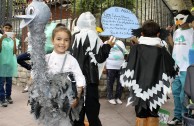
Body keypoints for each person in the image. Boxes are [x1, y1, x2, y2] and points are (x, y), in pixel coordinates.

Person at [120, 20, 178, 126]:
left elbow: (126, 67)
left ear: (141, 34)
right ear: (158, 34)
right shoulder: (161, 50)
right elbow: (173, 68)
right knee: (153, 113)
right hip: (156, 89)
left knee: (140, 113)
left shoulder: (135, 49)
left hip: (138, 88)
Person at [71, 12, 114, 126]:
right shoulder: (93, 36)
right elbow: (99, 58)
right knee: (92, 111)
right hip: (90, 79)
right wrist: (108, 46)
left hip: (76, 79)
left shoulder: (74, 36)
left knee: (77, 111)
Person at [44, 26, 85, 125]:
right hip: (48, 100)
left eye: (66, 40)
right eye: (59, 39)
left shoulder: (71, 60)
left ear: (70, 42)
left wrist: (77, 97)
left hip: (66, 101)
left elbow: (80, 79)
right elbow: (36, 76)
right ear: (52, 40)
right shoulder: (46, 58)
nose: (62, 43)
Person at [167, 10, 194, 125]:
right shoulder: (177, 31)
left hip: (187, 68)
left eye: (181, 19)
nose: (179, 21)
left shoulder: (192, 32)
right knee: (176, 93)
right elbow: (173, 45)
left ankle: (185, 116)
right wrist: (169, 34)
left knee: (184, 95)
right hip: (175, 68)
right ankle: (177, 116)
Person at [0, 23, 19, 107]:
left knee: (9, 81)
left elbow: (14, 52)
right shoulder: (0, 37)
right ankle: (2, 98)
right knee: (1, 82)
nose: (7, 30)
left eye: (9, 28)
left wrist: (14, 40)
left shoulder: (14, 40)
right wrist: (1, 39)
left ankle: (8, 96)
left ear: (11, 30)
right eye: (6, 28)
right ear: (3, 28)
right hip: (1, 63)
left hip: (10, 63)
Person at [105, 39, 128, 105]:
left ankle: (118, 97)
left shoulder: (121, 43)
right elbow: (103, 54)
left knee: (120, 83)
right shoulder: (107, 42)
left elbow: (125, 53)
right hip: (110, 66)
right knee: (110, 83)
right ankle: (110, 97)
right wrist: (104, 66)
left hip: (121, 66)